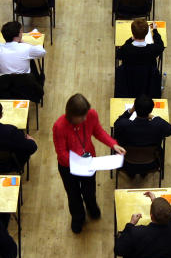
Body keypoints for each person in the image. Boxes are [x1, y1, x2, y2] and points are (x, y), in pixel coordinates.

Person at [52, 94, 126, 233]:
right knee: (73, 195)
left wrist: (113, 144)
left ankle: (92, 208)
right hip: (69, 167)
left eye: (86, 115)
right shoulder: (59, 126)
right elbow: (61, 154)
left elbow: (98, 131)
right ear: (71, 115)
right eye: (81, 117)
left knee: (89, 191)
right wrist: (80, 163)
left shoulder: (91, 114)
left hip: (89, 162)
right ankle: (78, 218)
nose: (85, 119)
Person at [115, 191, 171, 258]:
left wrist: (130, 225)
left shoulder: (135, 233)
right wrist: (158, 205)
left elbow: (118, 250)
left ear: (151, 216)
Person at [112, 96, 171, 177]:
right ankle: (143, 173)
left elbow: (116, 124)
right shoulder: (158, 125)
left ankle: (131, 174)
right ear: (151, 110)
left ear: (135, 108)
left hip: (126, 163)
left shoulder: (124, 125)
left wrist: (130, 111)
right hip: (151, 163)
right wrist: (153, 117)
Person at [115, 18, 164, 98]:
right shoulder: (153, 49)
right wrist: (155, 31)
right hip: (148, 81)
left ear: (133, 33)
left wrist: (130, 40)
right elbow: (160, 45)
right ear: (147, 32)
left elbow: (118, 54)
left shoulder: (126, 49)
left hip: (129, 80)